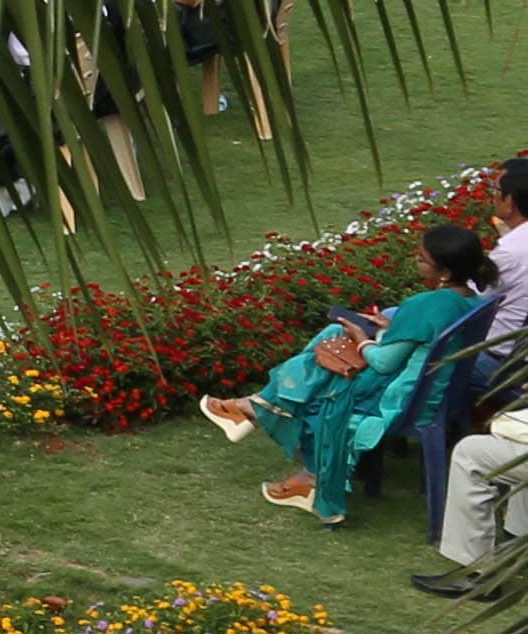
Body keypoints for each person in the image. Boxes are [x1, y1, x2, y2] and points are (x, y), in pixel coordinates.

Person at [203, 221, 493, 524]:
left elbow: (383, 363)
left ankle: (278, 440)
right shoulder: (471, 299)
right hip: (435, 388)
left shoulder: (428, 304)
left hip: (402, 397)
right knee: (328, 349)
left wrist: (361, 337)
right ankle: (254, 412)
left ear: (444, 272)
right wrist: (390, 329)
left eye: (422, 259)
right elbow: (424, 343)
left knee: (320, 373)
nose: (415, 262)